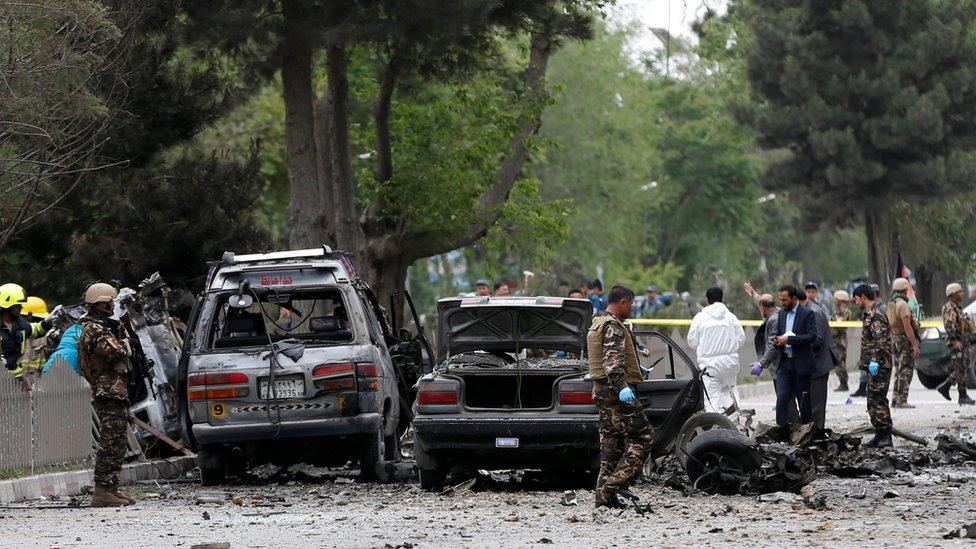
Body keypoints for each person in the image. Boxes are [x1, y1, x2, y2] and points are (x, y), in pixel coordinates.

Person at [586, 285, 653, 508]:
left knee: (610, 445)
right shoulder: (613, 326)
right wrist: (622, 386)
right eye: (631, 304)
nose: (632, 308)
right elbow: (613, 362)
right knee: (644, 436)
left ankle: (603, 498)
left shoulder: (597, 323)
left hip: (601, 391)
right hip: (615, 392)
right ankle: (614, 485)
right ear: (622, 303)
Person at [78, 282, 136, 507]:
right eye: (110, 301)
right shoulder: (94, 328)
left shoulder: (103, 326)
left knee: (118, 442)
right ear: (102, 303)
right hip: (108, 390)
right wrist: (126, 343)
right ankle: (102, 491)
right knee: (110, 442)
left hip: (115, 390)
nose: (112, 305)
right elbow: (113, 351)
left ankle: (111, 487)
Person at [687, 287, 745, 414]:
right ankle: (735, 423)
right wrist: (729, 348)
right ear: (722, 298)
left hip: (710, 365)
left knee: (712, 399)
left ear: (707, 300)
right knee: (729, 392)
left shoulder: (700, 318)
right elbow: (741, 338)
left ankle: (716, 428)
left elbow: (692, 341)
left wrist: (706, 346)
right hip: (730, 363)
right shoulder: (731, 317)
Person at [771, 284, 820, 426]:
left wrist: (790, 340)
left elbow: (812, 336)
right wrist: (777, 341)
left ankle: (806, 432)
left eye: (785, 300)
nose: (782, 303)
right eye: (780, 300)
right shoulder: (781, 314)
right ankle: (781, 432)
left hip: (801, 365)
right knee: (781, 400)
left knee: (804, 402)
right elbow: (780, 334)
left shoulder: (807, 314)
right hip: (784, 364)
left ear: (794, 298)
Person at [853, 283, 893, 447]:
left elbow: (881, 341)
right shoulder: (868, 314)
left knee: (878, 400)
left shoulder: (876, 315)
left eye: (856, 299)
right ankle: (879, 434)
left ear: (863, 297)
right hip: (872, 365)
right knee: (872, 400)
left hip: (880, 365)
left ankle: (886, 436)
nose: (856, 303)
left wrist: (875, 360)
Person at [750, 294, 800, 423]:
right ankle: (794, 426)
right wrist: (753, 293)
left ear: (763, 308)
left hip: (780, 366)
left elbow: (773, 346)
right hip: (785, 364)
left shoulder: (773, 320)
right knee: (788, 400)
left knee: (786, 402)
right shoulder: (780, 313)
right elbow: (763, 300)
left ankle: (792, 428)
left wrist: (761, 364)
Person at [799, 287, 837, 428]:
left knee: (817, 406)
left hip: (818, 365)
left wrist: (796, 340)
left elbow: (817, 340)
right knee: (809, 403)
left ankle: (817, 434)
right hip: (811, 364)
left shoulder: (813, 312)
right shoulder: (807, 310)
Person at [1, 283, 54, 381]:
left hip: (16, 382)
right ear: (7, 307)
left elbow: (35, 330)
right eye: (18, 306)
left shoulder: (20, 324)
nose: (21, 308)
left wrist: (47, 322)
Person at [938, 283, 975, 405]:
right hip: (957, 341)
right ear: (953, 294)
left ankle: (951, 389)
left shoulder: (957, 307)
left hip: (962, 340)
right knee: (960, 367)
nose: (962, 294)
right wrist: (954, 341)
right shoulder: (950, 308)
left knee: (964, 366)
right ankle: (959, 393)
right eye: (960, 292)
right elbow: (949, 326)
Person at [888, 278, 921, 408]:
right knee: (906, 370)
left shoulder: (891, 303)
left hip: (894, 339)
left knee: (898, 370)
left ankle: (895, 399)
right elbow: (908, 327)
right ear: (905, 290)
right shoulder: (903, 305)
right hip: (904, 340)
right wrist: (914, 345)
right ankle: (902, 400)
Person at [831, 290, 852, 392]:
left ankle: (844, 383)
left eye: (836, 300)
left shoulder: (845, 311)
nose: (835, 302)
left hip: (840, 341)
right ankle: (842, 382)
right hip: (835, 340)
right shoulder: (837, 311)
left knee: (840, 362)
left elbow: (840, 325)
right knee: (837, 363)